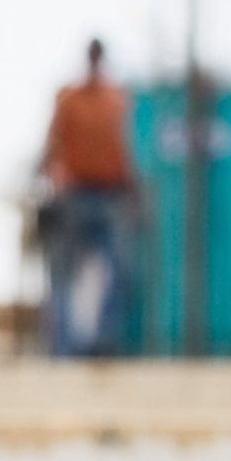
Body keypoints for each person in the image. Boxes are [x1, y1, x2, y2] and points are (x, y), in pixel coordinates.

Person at [36, 39, 140, 356]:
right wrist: (52, 180)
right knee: (62, 276)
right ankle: (63, 350)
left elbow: (124, 150)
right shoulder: (69, 99)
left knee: (120, 270)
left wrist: (131, 188)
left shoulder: (116, 100)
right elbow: (52, 145)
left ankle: (102, 344)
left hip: (109, 196)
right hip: (75, 196)